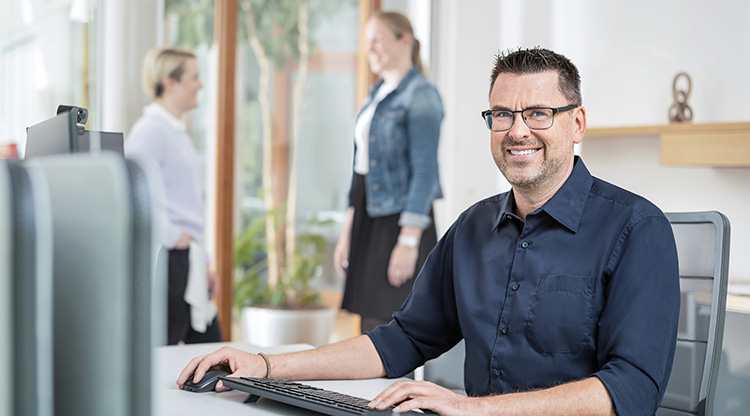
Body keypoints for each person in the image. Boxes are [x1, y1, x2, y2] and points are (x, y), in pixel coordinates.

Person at [177, 48, 680, 416]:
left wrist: (469, 410)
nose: (518, 130)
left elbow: (631, 391)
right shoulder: (473, 229)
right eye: (502, 115)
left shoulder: (638, 229)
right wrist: (263, 365)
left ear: (577, 124)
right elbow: (399, 342)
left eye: (538, 114)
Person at [334, 11, 443, 333]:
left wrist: (408, 242)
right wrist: (347, 231)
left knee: (391, 328)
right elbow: (361, 171)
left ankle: (398, 388)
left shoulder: (421, 95)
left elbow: (425, 173)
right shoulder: (376, 94)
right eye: (366, 42)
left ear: (404, 41)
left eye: (377, 40)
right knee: (368, 325)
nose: (370, 49)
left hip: (400, 222)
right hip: (369, 218)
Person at [126, 47, 222, 345]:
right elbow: (131, 191)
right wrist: (172, 236)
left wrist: (203, 260)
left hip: (188, 258)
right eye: (194, 77)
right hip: (170, 261)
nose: (201, 84)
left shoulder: (177, 131)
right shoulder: (150, 131)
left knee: (211, 350)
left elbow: (188, 202)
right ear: (170, 82)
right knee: (167, 351)